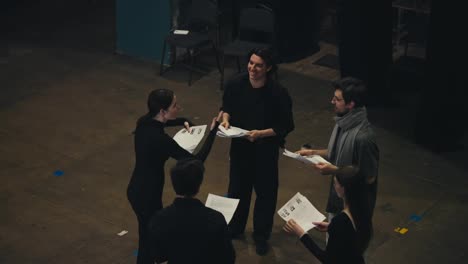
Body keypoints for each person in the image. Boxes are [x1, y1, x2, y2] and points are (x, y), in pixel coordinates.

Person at [127, 88, 221, 264]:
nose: (179, 107)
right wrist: (213, 132)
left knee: (146, 237)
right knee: (150, 243)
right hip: (148, 195)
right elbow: (196, 161)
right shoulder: (161, 140)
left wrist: (182, 120)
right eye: (175, 106)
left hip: (135, 189)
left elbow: (161, 123)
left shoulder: (144, 123)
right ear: (163, 111)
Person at [221, 47, 295, 255]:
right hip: (240, 148)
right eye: (251, 63)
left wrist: (261, 134)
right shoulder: (236, 84)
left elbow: (286, 125)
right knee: (237, 190)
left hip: (265, 151)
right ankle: (235, 227)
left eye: (259, 65)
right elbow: (226, 107)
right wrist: (225, 119)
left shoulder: (278, 93)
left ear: (268, 68)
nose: (253, 68)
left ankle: (261, 236)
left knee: (265, 194)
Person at [296, 77, 379, 221]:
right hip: (338, 196)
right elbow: (334, 152)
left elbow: (369, 176)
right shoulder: (343, 121)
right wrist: (312, 153)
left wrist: (334, 170)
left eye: (337, 99)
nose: (332, 101)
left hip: (354, 206)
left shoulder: (363, 138)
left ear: (350, 104)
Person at [148, 158, 236, 264]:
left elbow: (159, 256)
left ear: (174, 184)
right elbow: (228, 258)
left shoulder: (159, 219)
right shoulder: (216, 219)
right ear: (199, 185)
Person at [283, 166, 373, 264]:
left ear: (344, 188)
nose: (334, 185)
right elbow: (350, 237)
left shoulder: (340, 221)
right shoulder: (363, 210)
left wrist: (301, 234)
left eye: (335, 183)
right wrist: (331, 227)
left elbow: (328, 259)